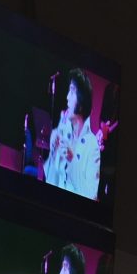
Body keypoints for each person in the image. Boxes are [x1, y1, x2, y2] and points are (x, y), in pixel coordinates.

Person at [42, 68, 111, 199]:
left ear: (81, 103)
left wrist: (72, 159)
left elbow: (91, 195)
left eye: (72, 92)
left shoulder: (92, 146)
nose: (67, 97)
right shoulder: (65, 134)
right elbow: (51, 180)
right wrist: (53, 152)